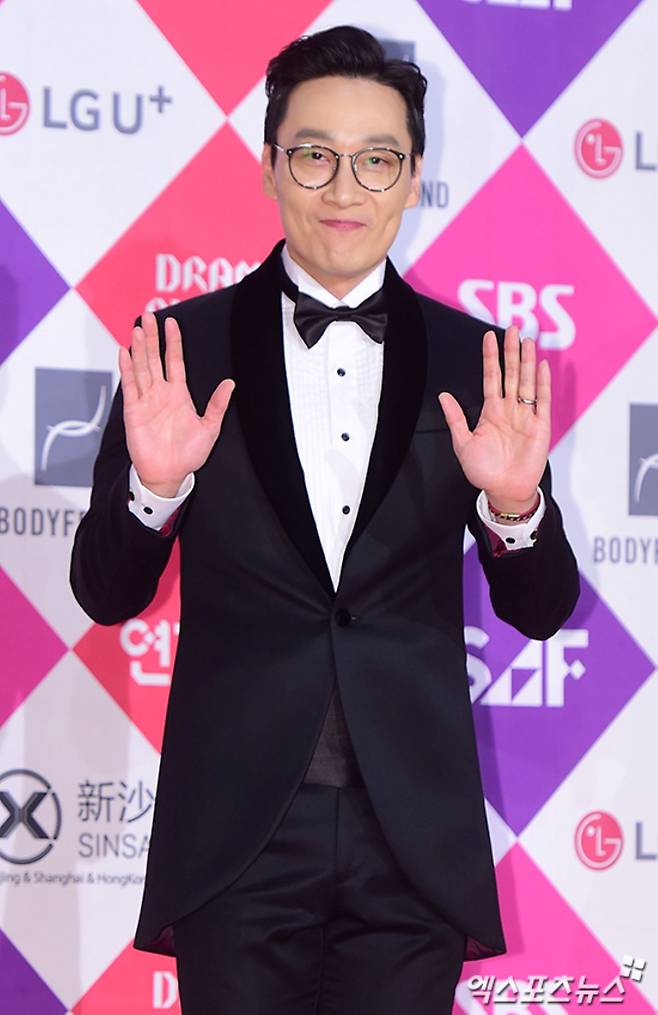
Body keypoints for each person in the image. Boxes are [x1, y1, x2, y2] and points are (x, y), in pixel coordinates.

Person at [70, 25, 579, 1014]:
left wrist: (515, 505)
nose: (345, 188)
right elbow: (105, 589)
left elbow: (544, 606)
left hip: (412, 837)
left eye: (376, 159)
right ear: (269, 167)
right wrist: (156, 486)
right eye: (314, 155)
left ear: (413, 177)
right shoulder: (179, 349)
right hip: (236, 834)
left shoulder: (478, 361)